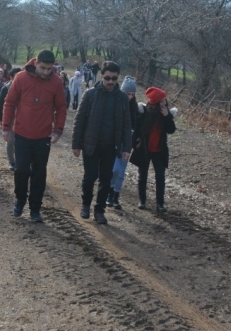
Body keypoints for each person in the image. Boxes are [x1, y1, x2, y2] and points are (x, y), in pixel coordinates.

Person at [2, 50, 67, 222]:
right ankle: (20, 200)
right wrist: (6, 127)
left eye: (49, 69)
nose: (46, 72)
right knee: (21, 170)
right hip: (22, 133)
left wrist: (58, 130)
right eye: (43, 68)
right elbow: (10, 102)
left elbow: (61, 107)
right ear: (36, 63)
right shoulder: (21, 78)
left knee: (39, 173)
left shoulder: (56, 82)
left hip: (43, 136)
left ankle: (35, 208)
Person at [71, 62, 133, 224]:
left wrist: (127, 147)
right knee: (90, 176)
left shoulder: (121, 98)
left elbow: (127, 124)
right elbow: (79, 120)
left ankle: (99, 210)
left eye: (113, 78)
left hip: (111, 146)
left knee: (106, 179)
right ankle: (85, 205)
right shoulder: (90, 94)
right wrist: (76, 144)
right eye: (107, 78)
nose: (110, 82)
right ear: (101, 76)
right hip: (91, 144)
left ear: (117, 78)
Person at [130, 86, 177, 213]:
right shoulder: (144, 113)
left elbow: (171, 130)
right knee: (142, 176)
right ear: (155, 102)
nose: (164, 103)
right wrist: (135, 143)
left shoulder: (165, 114)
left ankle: (160, 204)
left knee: (160, 177)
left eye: (164, 101)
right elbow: (137, 130)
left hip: (159, 151)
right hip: (144, 150)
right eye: (162, 101)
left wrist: (167, 116)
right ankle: (142, 201)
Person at [107, 76, 139, 209]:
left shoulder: (135, 107)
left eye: (132, 94)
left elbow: (136, 125)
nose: (130, 96)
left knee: (121, 171)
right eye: (128, 93)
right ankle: (109, 193)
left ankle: (115, 196)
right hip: (114, 141)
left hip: (127, 143)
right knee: (114, 169)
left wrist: (136, 139)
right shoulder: (116, 103)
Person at [0, 67, 22, 170]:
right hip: (10, 118)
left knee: (20, 142)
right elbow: (0, 104)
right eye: (16, 76)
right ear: (11, 77)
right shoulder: (6, 88)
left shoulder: (25, 87)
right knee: (10, 141)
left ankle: (20, 161)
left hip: (22, 118)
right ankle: (11, 161)